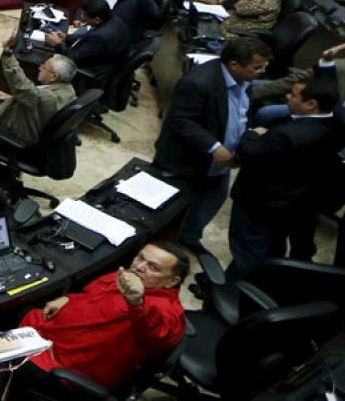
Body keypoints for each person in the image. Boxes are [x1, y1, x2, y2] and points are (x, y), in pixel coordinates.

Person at [152, 36, 271, 252]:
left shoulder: (244, 81)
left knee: (212, 197)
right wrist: (216, 147)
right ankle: (162, 246)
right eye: (257, 67)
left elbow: (241, 113)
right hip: (189, 158)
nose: (261, 72)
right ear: (235, 65)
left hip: (221, 160)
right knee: (172, 207)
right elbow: (181, 120)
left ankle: (188, 237)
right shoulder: (198, 82)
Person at [17, 244, 189, 393]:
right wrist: (69, 298)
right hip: (51, 331)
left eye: (153, 267)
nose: (139, 266)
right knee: (15, 307)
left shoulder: (168, 312)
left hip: (64, 365)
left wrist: (137, 302)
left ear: (171, 281)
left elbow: (155, 331)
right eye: (140, 258)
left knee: (1, 360)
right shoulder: (129, 277)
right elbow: (91, 295)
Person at [227, 77, 344, 278]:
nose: (287, 96)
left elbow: (249, 155)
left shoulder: (287, 135)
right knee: (272, 248)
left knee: (247, 253)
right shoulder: (335, 124)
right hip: (292, 201)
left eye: (294, 95)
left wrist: (253, 134)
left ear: (311, 104)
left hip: (258, 203)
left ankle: (233, 295)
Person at [0, 27, 77, 145]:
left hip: (18, 136)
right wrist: (12, 99)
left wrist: (7, 51)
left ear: (54, 77)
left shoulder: (44, 96)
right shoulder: (69, 90)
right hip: (38, 127)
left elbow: (21, 85)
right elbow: (38, 105)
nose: (40, 67)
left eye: (44, 67)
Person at [42, 0, 131, 86]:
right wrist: (66, 38)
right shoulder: (112, 19)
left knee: (46, 62)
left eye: (85, 17)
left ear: (97, 19)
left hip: (94, 69)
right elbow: (87, 39)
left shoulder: (100, 37)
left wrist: (57, 44)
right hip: (104, 58)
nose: (82, 19)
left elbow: (73, 59)